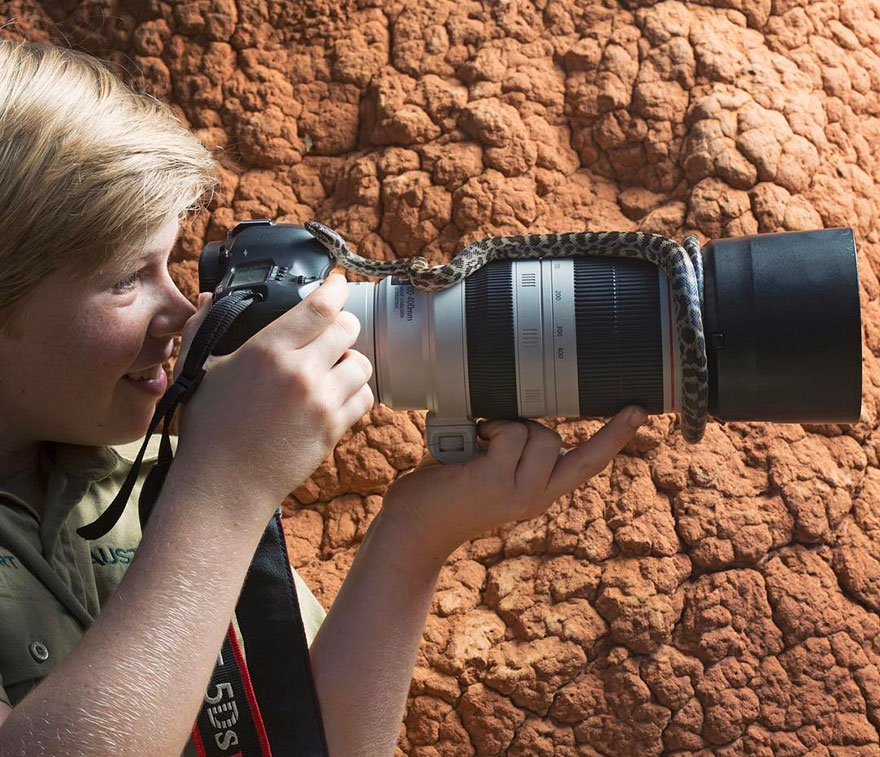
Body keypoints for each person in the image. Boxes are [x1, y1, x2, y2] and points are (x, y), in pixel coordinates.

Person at [0, 38, 648, 756]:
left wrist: (415, 534)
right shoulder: (204, 486)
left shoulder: (135, 471)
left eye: (169, 264)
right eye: (127, 279)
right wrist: (224, 490)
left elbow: (308, 743)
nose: (183, 312)